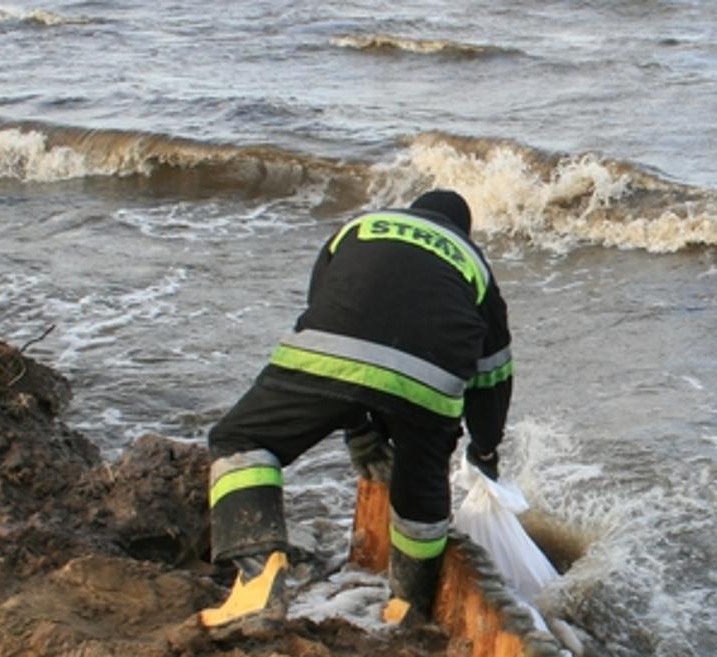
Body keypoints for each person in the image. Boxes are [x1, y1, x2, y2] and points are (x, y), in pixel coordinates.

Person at [198, 189, 512, 629]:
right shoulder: (473, 262)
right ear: (463, 229)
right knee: (420, 485)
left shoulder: (360, 227)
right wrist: (485, 450)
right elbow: (493, 375)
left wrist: (359, 429)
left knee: (240, 439)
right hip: (431, 385)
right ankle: (408, 604)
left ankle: (256, 574)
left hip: (329, 356)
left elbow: (333, 315)